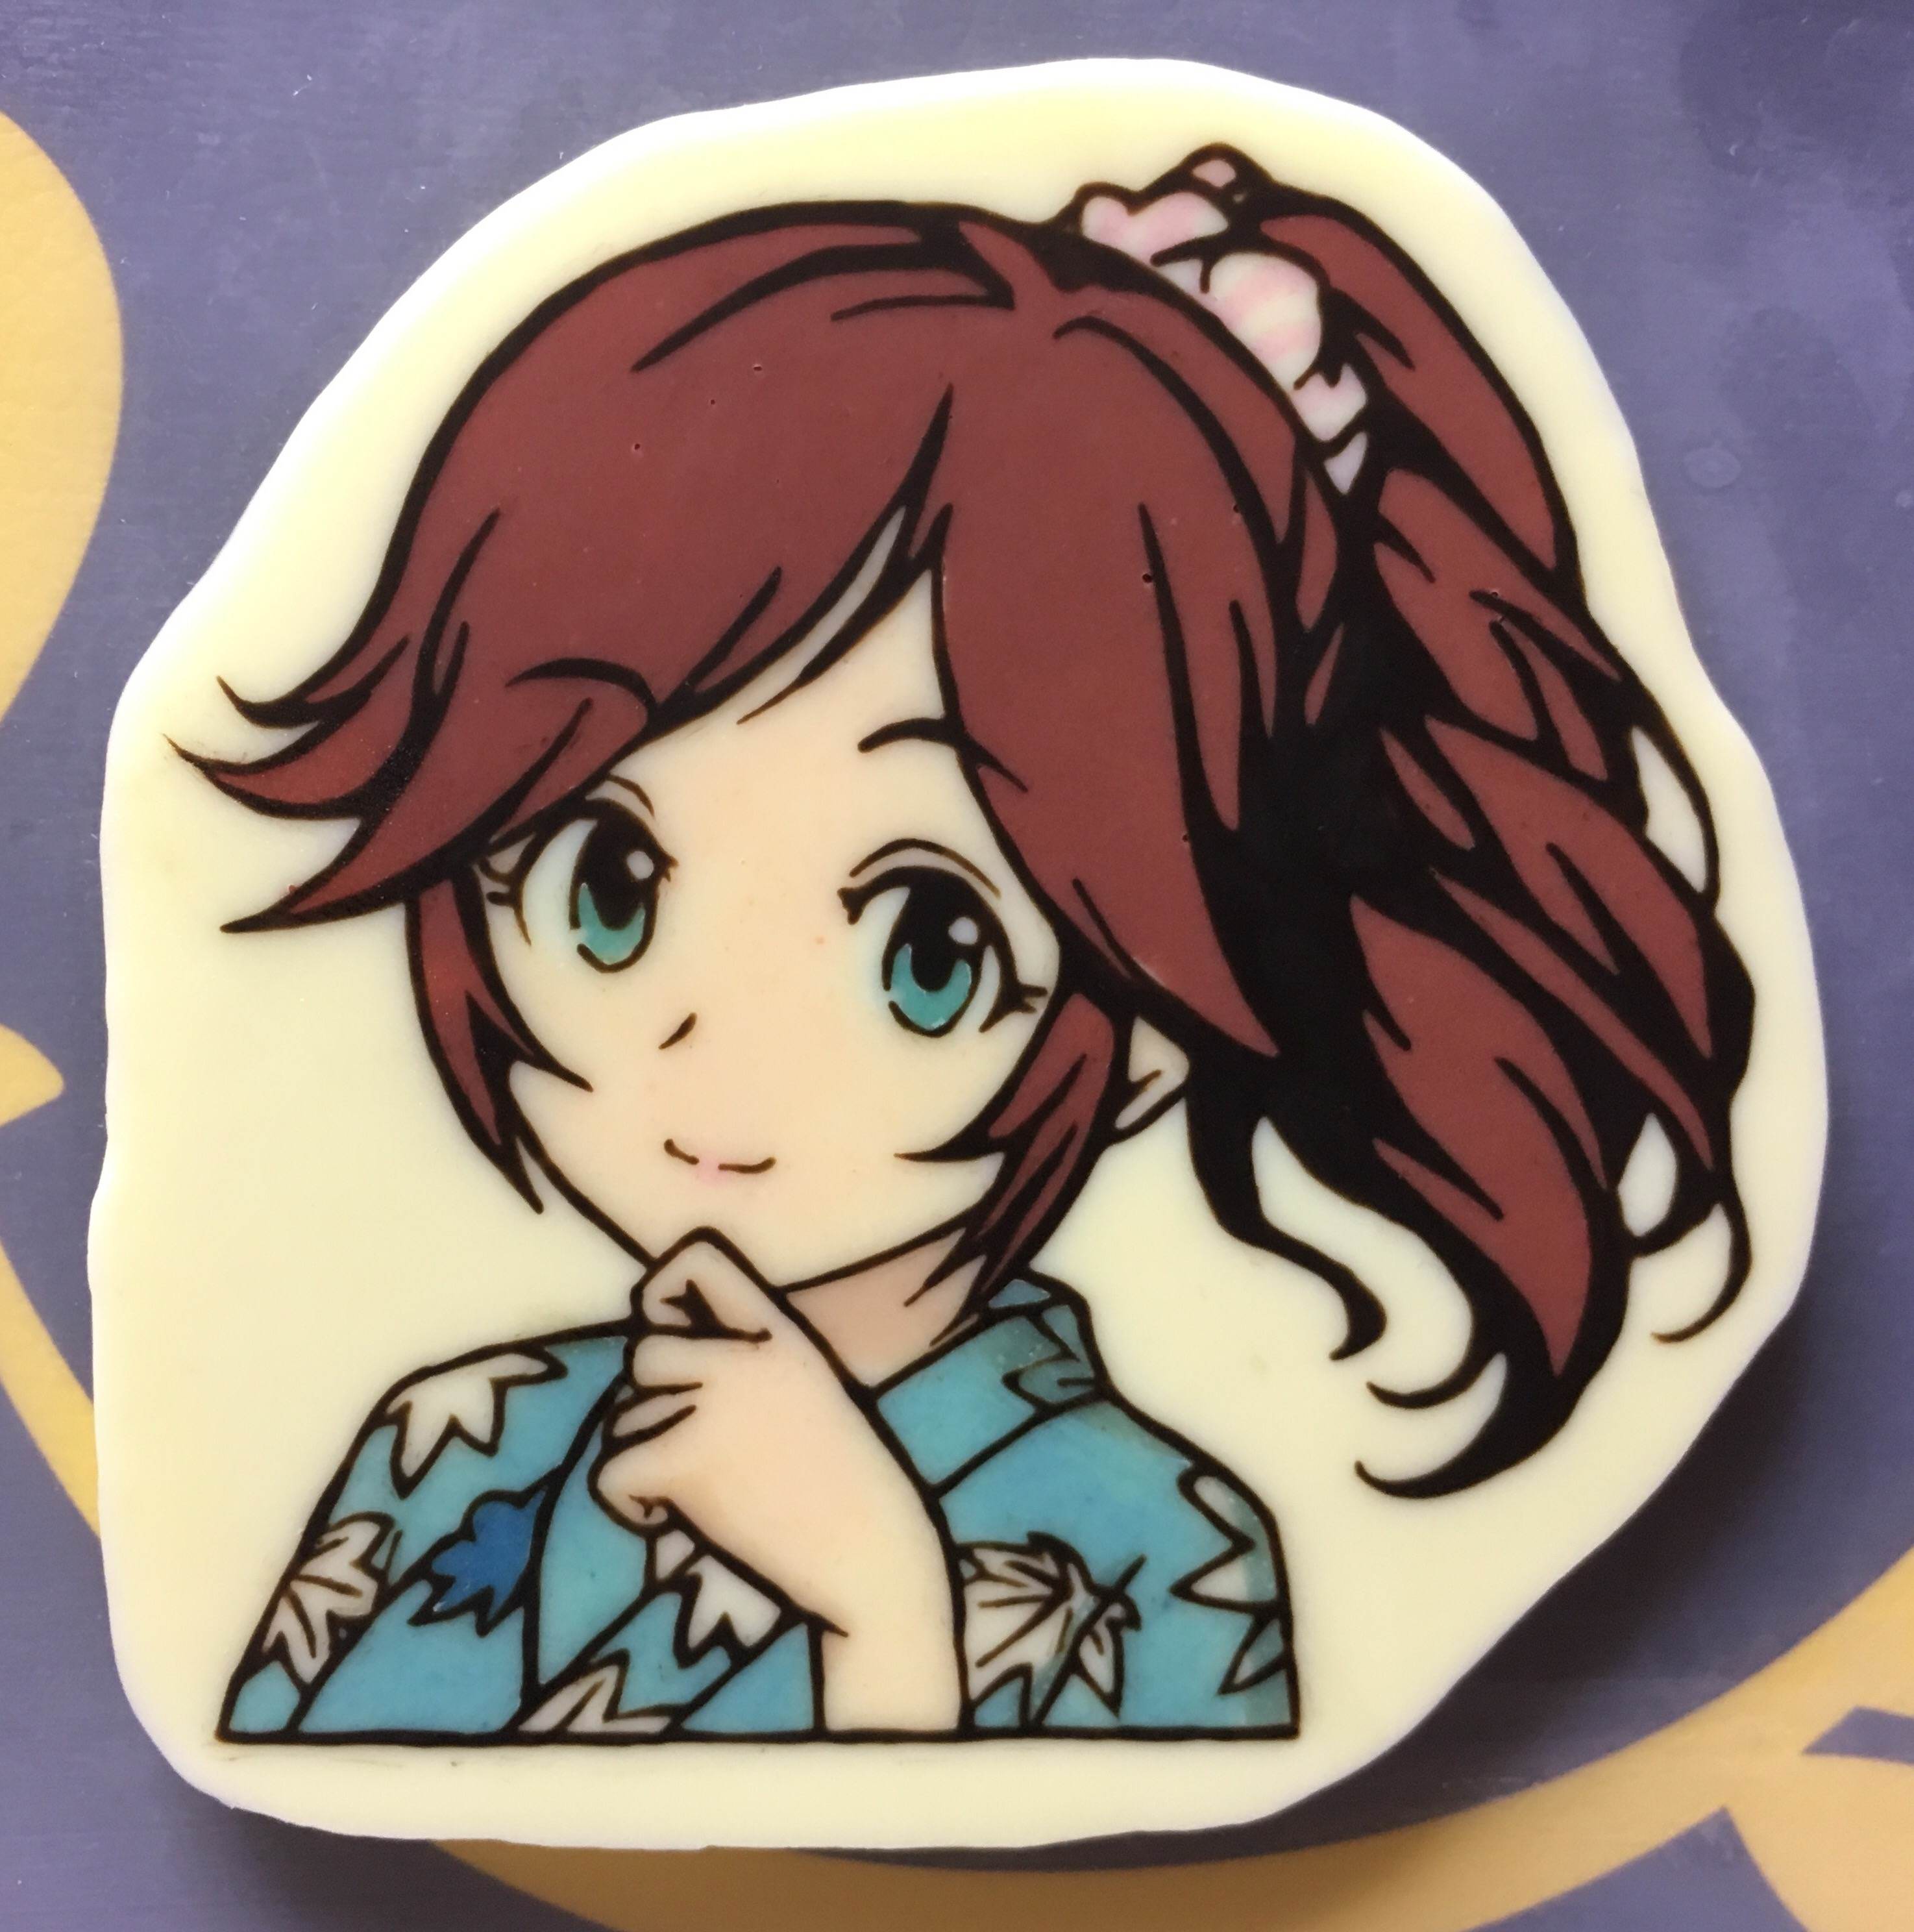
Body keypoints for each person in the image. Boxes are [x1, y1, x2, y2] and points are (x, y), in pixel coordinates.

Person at [204, 145, 1751, 1743]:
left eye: (926, 947)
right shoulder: (449, 1446)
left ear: (1154, 1022)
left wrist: (882, 1611)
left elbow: (998, 1845)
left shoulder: (1164, 1556)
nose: (705, 1045)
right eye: (606, 884)